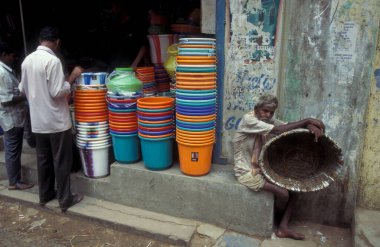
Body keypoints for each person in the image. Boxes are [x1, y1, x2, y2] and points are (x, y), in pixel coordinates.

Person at [233, 94, 325, 240]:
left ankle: (283, 228)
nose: (268, 115)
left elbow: (287, 126)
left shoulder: (268, 120)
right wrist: (307, 120)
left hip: (262, 170)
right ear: (257, 108)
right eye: (265, 111)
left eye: (271, 112)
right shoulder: (248, 120)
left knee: (295, 190)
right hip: (246, 172)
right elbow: (278, 130)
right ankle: (276, 220)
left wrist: (309, 126)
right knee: (283, 193)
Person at [19, 26, 84, 212]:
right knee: (61, 161)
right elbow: (57, 92)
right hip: (56, 122)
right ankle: (65, 199)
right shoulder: (52, 61)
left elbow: (21, 89)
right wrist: (70, 79)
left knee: (43, 160)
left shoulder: (27, 60)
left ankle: (45, 195)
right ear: (57, 42)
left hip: (38, 121)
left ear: (40, 40)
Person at [0, 37, 34, 190]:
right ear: (4, 55)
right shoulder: (2, 73)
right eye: (12, 56)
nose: (14, 59)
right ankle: (14, 182)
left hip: (16, 117)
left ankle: (15, 180)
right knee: (13, 151)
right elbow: (6, 100)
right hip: (11, 118)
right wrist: (25, 95)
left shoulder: (7, 71)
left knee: (14, 150)